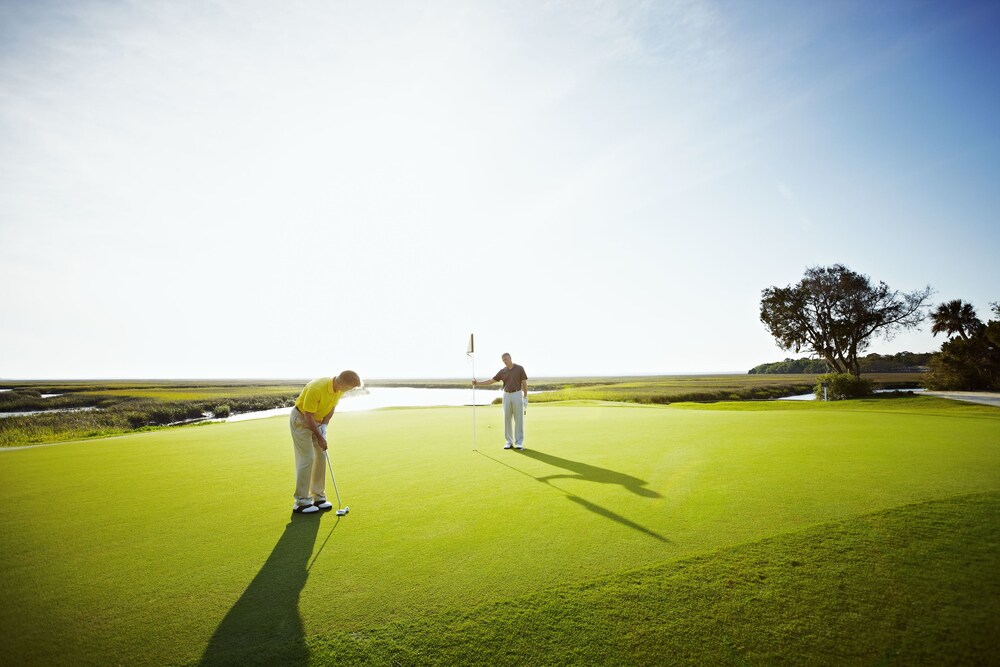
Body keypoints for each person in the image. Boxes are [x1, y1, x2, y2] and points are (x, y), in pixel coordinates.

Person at [289, 371, 362, 514]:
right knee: (307, 458)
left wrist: (325, 426)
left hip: (317, 421)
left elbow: (332, 407)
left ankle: (318, 497)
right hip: (301, 420)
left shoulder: (339, 389)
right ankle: (301, 502)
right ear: (342, 383)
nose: (350, 391)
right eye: (350, 388)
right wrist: (320, 436)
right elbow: (307, 416)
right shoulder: (317, 388)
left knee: (322, 456)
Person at [473, 353, 528, 450]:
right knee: (507, 418)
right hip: (506, 395)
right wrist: (477, 383)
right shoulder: (503, 371)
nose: (505, 361)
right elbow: (491, 381)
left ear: (510, 358)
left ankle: (519, 442)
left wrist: (525, 397)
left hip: (517, 394)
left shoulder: (519, 368)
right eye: (503, 360)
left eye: (506, 359)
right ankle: (509, 441)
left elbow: (524, 383)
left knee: (518, 419)